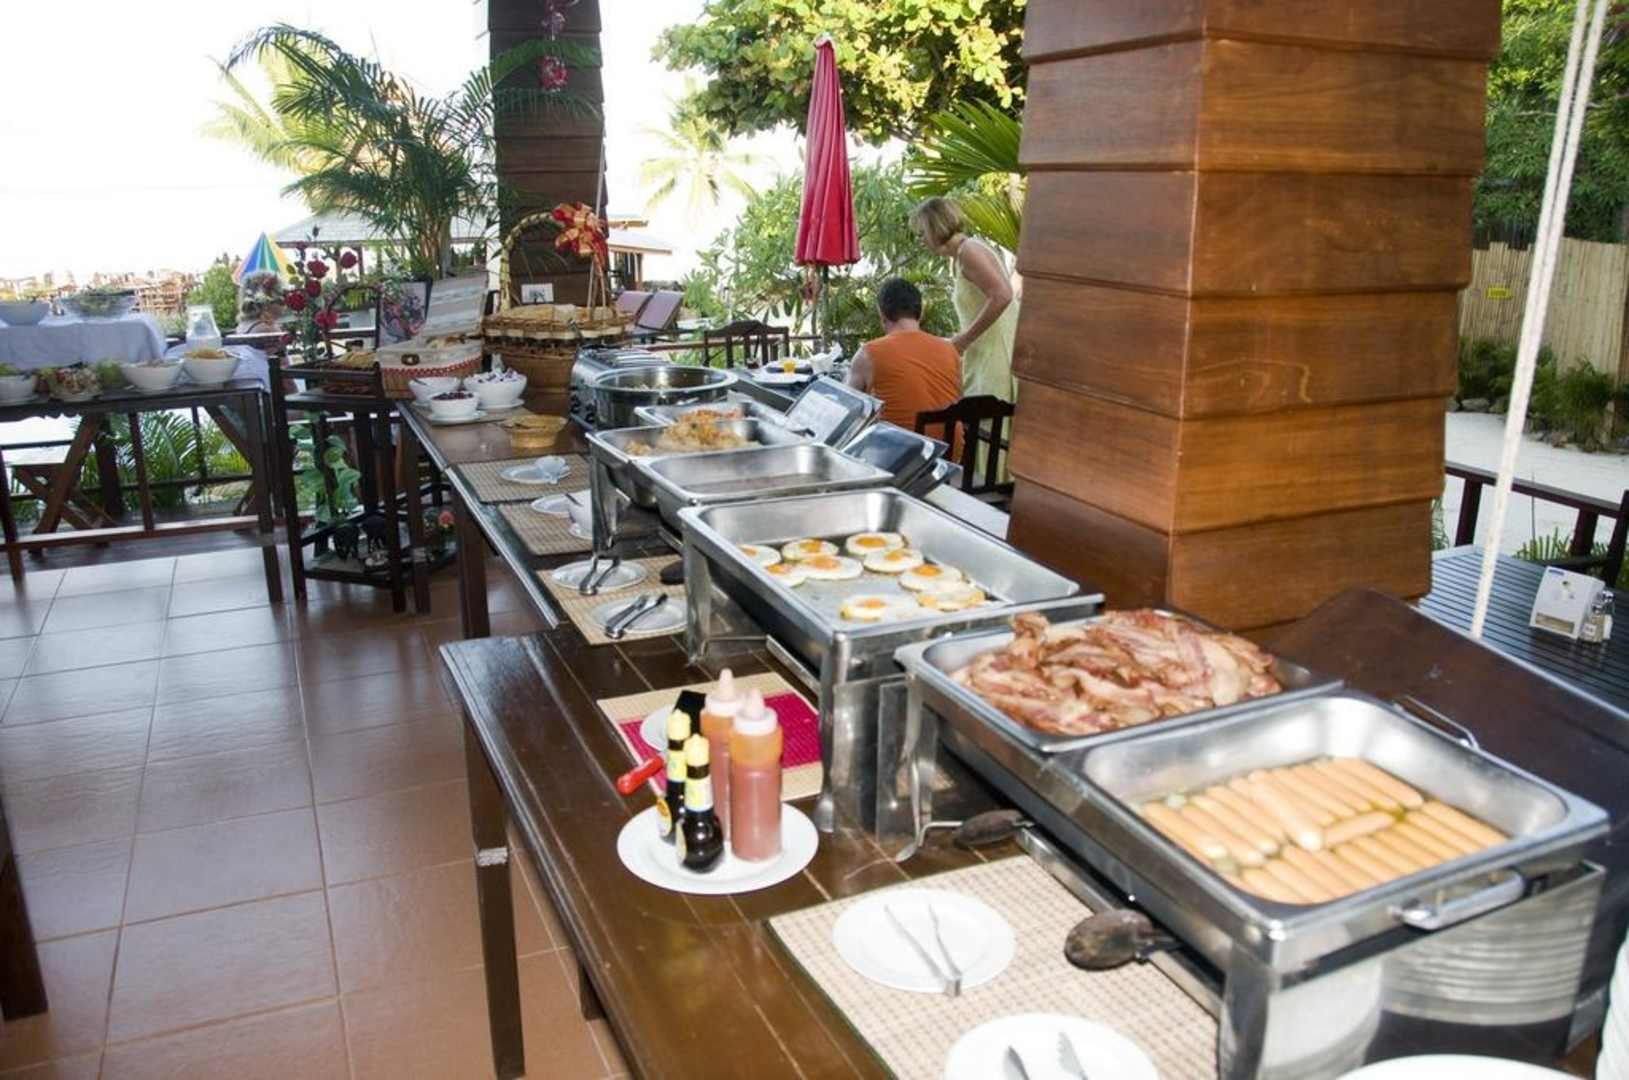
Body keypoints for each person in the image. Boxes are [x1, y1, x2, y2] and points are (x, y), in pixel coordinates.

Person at [908, 196, 1018, 403]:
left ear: (936, 228)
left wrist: (965, 339)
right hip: (983, 356)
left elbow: (1003, 295)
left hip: (996, 357)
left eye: (922, 233)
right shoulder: (960, 256)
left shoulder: (969, 251)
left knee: (986, 420)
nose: (921, 241)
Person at [847, 278, 962, 434]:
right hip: (950, 448)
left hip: (900, 448)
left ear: (882, 313)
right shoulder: (949, 349)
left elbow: (848, 408)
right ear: (921, 312)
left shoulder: (868, 353)